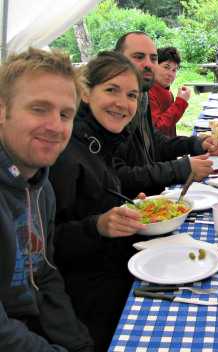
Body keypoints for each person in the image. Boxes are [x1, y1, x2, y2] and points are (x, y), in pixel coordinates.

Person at [49, 51, 148, 352]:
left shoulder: (98, 142)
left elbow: (94, 203)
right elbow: (45, 245)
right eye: (111, 90)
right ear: (85, 93)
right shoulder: (65, 154)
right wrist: (99, 227)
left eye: (131, 95)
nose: (123, 103)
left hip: (113, 267)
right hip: (84, 296)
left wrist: (127, 207)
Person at [0, 48, 94, 350]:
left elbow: (45, 276)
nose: (56, 127)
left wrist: (80, 346)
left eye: (65, 114)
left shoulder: (40, 186)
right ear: (2, 111)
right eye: (39, 109)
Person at [113, 32, 218, 198]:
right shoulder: (113, 109)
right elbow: (119, 176)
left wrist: (196, 144)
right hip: (134, 202)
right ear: (117, 60)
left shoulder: (142, 97)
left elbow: (155, 141)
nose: (148, 64)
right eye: (138, 57)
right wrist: (180, 168)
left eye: (153, 59)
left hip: (153, 193)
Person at [149, 46, 191, 137]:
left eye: (174, 70)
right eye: (166, 67)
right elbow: (158, 129)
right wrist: (181, 102)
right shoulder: (148, 93)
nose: (170, 74)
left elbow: (170, 131)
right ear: (154, 66)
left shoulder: (167, 93)